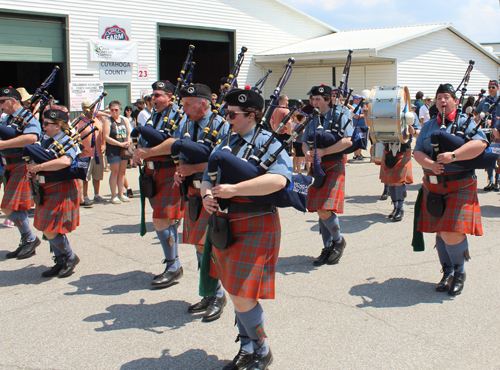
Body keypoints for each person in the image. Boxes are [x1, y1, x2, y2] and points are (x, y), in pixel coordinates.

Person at [202, 88, 292, 370]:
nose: (226, 118)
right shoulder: (225, 141)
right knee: (234, 290)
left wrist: (234, 189)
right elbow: (208, 176)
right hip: (225, 224)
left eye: (231, 114)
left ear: (251, 115)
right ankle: (247, 345)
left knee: (241, 295)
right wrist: (206, 194)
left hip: (257, 221)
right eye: (225, 113)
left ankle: (262, 348)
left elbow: (279, 180)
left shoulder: (269, 142)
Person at [414, 83, 488, 296]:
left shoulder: (467, 122)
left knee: (450, 231)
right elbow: (418, 151)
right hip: (434, 184)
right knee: (440, 230)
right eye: (439, 98)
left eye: (446, 97)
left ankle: (459, 272)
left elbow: (481, 144)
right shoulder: (428, 126)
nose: (442, 101)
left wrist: (453, 156)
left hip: (460, 184)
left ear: (456, 100)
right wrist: (429, 164)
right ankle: (447, 272)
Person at [174, 84, 229, 322]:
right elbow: (180, 153)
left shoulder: (222, 126)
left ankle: (218, 295)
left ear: (203, 104)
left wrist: (192, 168)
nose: (183, 108)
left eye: (187, 104)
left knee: (212, 246)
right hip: (192, 193)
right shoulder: (185, 124)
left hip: (212, 194)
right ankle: (209, 292)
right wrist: (179, 171)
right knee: (198, 245)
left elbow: (225, 162)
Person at [132, 80, 184, 289]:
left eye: (158, 95)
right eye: (152, 95)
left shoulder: (179, 116)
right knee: (164, 220)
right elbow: (144, 141)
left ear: (170, 96)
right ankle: (173, 263)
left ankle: (173, 265)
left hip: (170, 171)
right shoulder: (152, 116)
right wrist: (135, 153)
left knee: (161, 220)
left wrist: (149, 153)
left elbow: (175, 143)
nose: (154, 99)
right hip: (154, 173)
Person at [26, 109, 81, 277]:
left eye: (46, 124)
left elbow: (65, 161)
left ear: (58, 126)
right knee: (48, 228)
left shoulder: (68, 142)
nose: (43, 127)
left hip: (61, 187)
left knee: (50, 228)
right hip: (46, 188)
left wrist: (39, 167)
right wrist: (33, 171)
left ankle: (70, 257)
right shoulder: (46, 140)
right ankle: (61, 260)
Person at [302, 85, 352, 266]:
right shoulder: (312, 117)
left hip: (333, 165)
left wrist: (324, 151)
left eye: (317, 99)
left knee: (324, 208)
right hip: (316, 167)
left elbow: (347, 141)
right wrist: (308, 152)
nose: (314, 102)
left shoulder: (340, 115)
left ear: (327, 100)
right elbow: (304, 142)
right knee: (320, 210)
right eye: (312, 99)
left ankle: (338, 240)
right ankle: (328, 247)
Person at [0, 87, 42, 259]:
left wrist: (2, 145)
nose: (0, 105)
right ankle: (26, 240)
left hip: (21, 164)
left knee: (7, 207)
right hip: (9, 165)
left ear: (12, 101)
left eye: (2, 101)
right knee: (17, 207)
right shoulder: (8, 118)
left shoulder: (27, 117)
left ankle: (30, 238)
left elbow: (32, 137)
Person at [379, 116, 421, 222]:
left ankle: (400, 208)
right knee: (391, 182)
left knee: (399, 181)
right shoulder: (386, 112)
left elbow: (419, 131)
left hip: (403, 149)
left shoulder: (409, 113)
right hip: (388, 149)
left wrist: (413, 131)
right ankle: (395, 207)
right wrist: (366, 113)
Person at [75, 100, 106, 207]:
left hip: (97, 153)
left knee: (97, 175)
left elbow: (102, 134)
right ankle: (85, 196)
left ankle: (97, 194)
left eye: (93, 108)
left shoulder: (97, 120)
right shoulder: (78, 121)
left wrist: (103, 145)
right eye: (88, 108)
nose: (91, 110)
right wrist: (79, 148)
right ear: (83, 108)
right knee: (85, 177)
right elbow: (74, 137)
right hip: (85, 154)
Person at [103, 100, 132, 204]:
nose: (114, 112)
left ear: (120, 110)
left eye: (116, 110)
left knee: (122, 172)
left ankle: (121, 194)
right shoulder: (108, 121)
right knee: (114, 172)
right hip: (114, 149)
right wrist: (119, 144)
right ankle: (113, 195)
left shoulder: (124, 119)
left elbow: (128, 133)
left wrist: (128, 142)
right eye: (112, 110)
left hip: (124, 149)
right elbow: (106, 137)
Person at [475, 80, 499, 191]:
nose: (490, 89)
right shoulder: (484, 101)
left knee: (498, 158)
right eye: (489, 87)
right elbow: (476, 113)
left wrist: (496, 120)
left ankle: (498, 181)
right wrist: (476, 119)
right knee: (489, 156)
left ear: (498, 88)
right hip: (486, 133)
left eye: (493, 87)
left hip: (498, 132)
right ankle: (491, 181)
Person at [351, 95, 367, 160]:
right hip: (358, 127)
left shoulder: (359, 106)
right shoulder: (355, 106)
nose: (360, 100)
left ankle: (359, 154)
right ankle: (356, 155)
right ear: (355, 99)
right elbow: (356, 116)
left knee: (361, 141)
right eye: (359, 99)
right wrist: (365, 115)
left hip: (362, 126)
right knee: (357, 141)